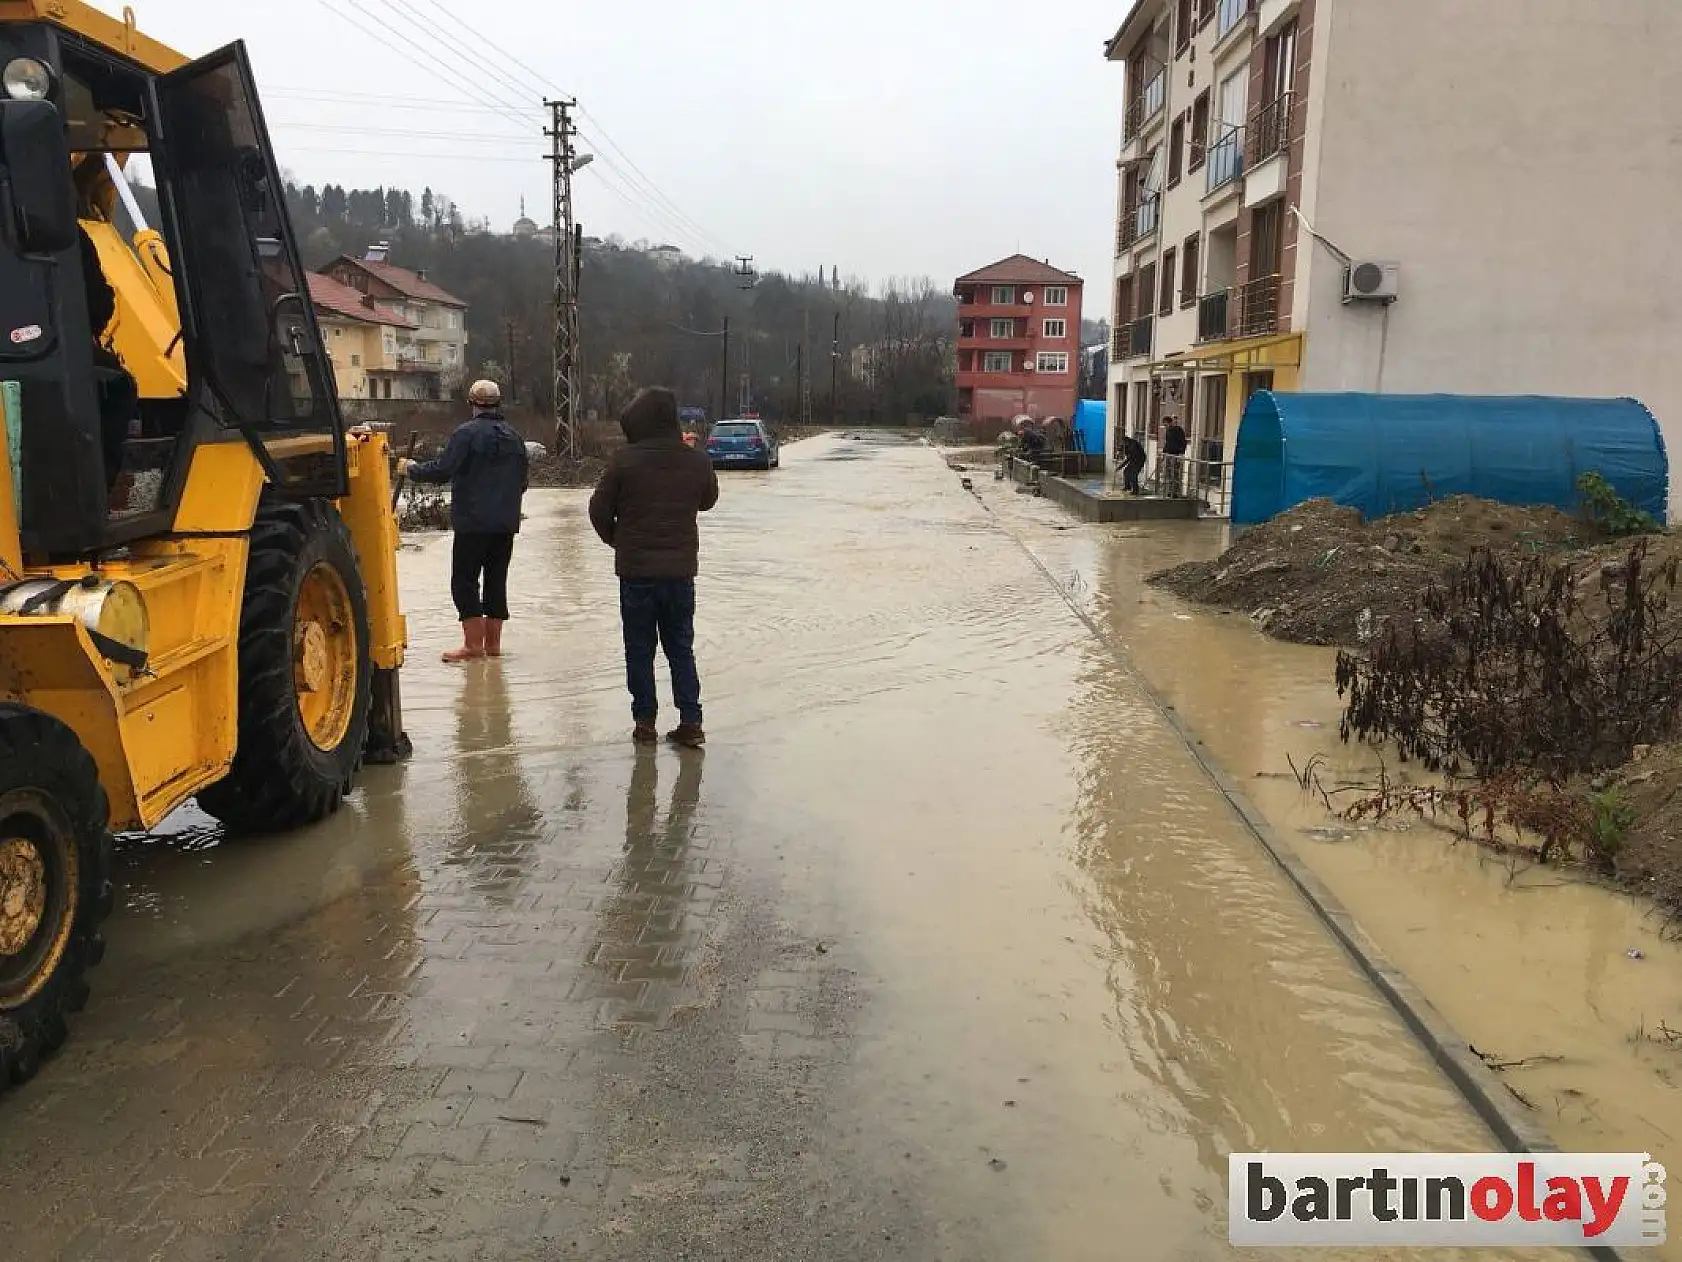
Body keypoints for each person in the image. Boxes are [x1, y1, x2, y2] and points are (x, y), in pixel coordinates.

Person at [588, 386, 719, 748]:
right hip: (680, 574)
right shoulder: (696, 460)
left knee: (639, 649)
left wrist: (619, 541)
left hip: (636, 574)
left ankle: (645, 724)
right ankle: (691, 721)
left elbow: (597, 510)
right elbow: (707, 501)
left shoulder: (624, 461)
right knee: (681, 648)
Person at [399, 379, 529, 663]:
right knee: (497, 581)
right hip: (505, 525)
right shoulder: (515, 438)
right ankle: (492, 647)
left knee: (465, 581)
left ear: (472, 403)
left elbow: (444, 469)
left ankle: (472, 646)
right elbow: (522, 482)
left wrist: (411, 469)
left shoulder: (466, 434)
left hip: (473, 523)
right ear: (498, 403)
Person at [1161, 417, 1189, 498]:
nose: (1165, 426)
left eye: (1165, 424)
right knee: (1168, 473)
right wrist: (1164, 453)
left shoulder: (1178, 430)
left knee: (1175, 473)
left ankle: (1175, 491)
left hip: (1175, 455)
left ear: (1169, 423)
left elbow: (1183, 442)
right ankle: (1169, 490)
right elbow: (1167, 443)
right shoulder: (1168, 431)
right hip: (1168, 455)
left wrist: (1181, 453)